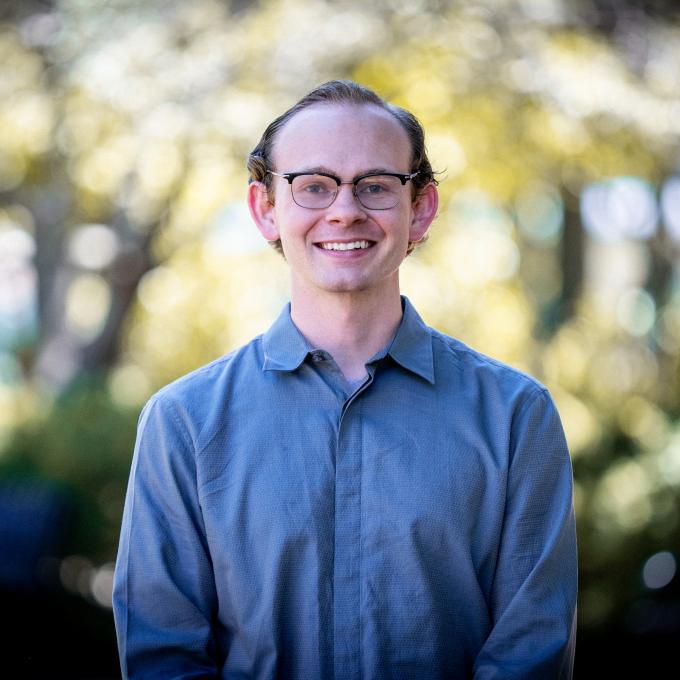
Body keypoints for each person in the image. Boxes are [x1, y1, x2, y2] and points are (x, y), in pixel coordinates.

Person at [113, 79, 577, 679]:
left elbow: (532, 654)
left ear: (422, 209)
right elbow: (162, 659)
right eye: (314, 186)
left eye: (377, 186)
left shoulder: (517, 417)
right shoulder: (181, 423)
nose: (345, 210)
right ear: (265, 209)